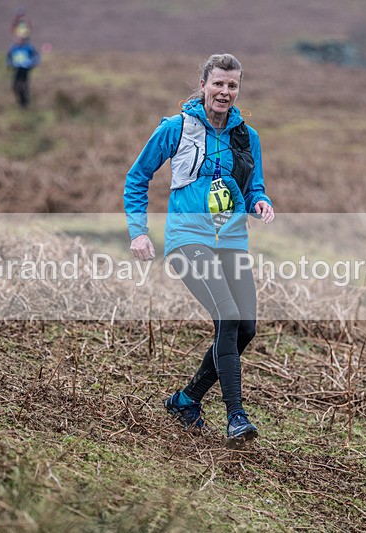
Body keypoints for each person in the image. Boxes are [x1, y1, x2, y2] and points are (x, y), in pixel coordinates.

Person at [123, 53, 275, 449]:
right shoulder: (177, 127)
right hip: (188, 239)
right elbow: (137, 177)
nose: (225, 92)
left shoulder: (247, 136)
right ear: (204, 84)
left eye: (232, 85)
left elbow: (254, 185)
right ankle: (236, 416)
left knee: (246, 327)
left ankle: (187, 399)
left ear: (238, 88)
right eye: (219, 84)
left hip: (233, 240)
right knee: (226, 316)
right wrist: (139, 232)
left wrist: (260, 202)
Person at [6, 33, 40, 108]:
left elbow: (36, 56)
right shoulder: (13, 48)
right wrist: (9, 64)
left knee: (24, 85)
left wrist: (34, 63)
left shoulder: (29, 47)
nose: (20, 41)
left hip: (25, 69)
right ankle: (21, 101)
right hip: (16, 69)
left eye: (21, 39)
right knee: (15, 86)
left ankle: (25, 102)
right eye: (18, 39)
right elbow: (8, 57)